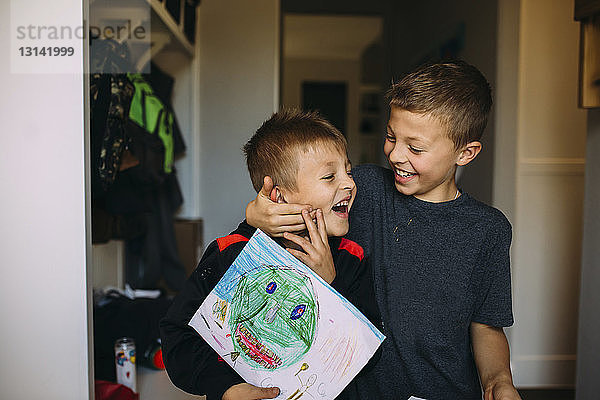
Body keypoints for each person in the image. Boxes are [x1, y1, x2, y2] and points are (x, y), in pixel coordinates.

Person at [246, 60, 521, 400]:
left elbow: (486, 325)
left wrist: (499, 382)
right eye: (391, 136)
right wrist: (256, 215)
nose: (395, 154)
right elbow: (298, 201)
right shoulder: (363, 189)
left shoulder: (488, 230)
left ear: (465, 153)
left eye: (415, 148)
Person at [160, 109, 382, 400]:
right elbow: (178, 337)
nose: (350, 184)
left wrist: (331, 288)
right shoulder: (232, 254)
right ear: (278, 196)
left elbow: (369, 355)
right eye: (330, 176)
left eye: (348, 171)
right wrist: (225, 387)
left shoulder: (350, 259)